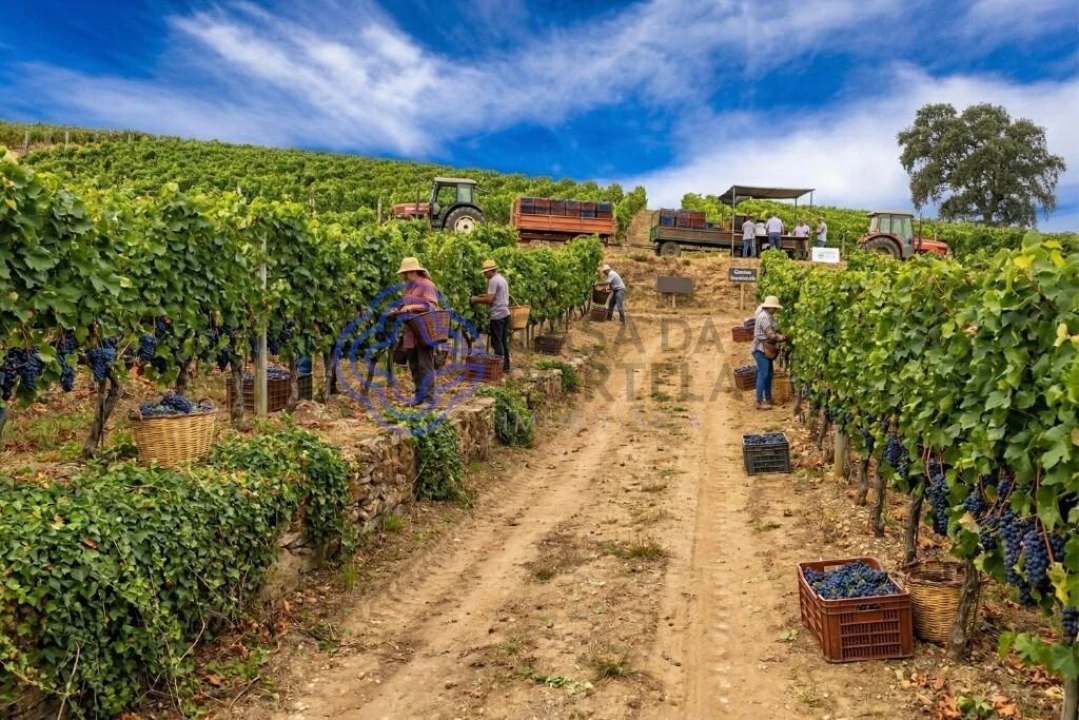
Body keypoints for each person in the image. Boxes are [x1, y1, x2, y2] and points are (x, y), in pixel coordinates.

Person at [393, 256, 441, 406]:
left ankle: (429, 398)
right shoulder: (409, 287)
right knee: (413, 363)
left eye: (405, 273)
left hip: (424, 329)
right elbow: (405, 305)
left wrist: (411, 307)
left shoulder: (427, 285)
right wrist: (399, 310)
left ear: (413, 271)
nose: (403, 276)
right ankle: (419, 396)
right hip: (410, 330)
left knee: (425, 364)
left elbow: (431, 306)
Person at [470, 259, 511, 373]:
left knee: (496, 342)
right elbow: (494, 296)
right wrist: (484, 295)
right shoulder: (501, 279)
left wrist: (475, 300)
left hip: (497, 316)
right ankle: (506, 368)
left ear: (490, 271)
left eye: (485, 272)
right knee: (503, 341)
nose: (484, 274)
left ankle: (498, 368)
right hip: (505, 314)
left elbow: (490, 299)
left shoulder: (493, 281)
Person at [751, 295, 787, 410]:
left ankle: (769, 398)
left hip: (765, 349)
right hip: (760, 349)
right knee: (763, 374)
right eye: (775, 308)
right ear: (770, 307)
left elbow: (776, 328)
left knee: (769, 374)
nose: (776, 310)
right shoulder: (764, 317)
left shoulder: (768, 316)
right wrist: (783, 337)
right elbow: (771, 335)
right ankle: (759, 401)